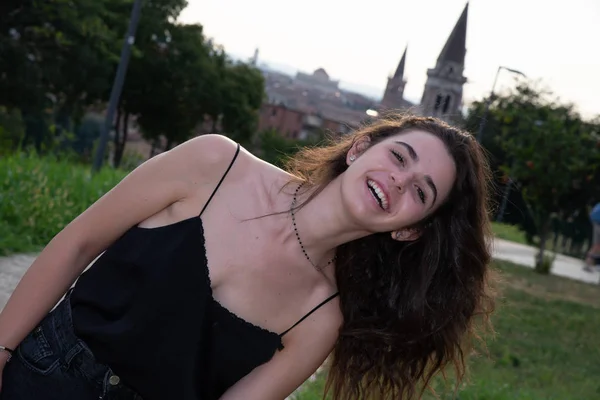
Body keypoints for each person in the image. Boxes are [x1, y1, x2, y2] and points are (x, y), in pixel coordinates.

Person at [0, 114, 496, 400]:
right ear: (359, 148)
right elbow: (76, 244)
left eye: (421, 191)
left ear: (410, 230)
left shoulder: (319, 319)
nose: (398, 180)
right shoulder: (215, 164)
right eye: (399, 156)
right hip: (39, 375)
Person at [583, 202, 600, 272]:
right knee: (596, 245)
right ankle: (591, 264)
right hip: (598, 223)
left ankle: (588, 263)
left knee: (596, 245)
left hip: (595, 223)